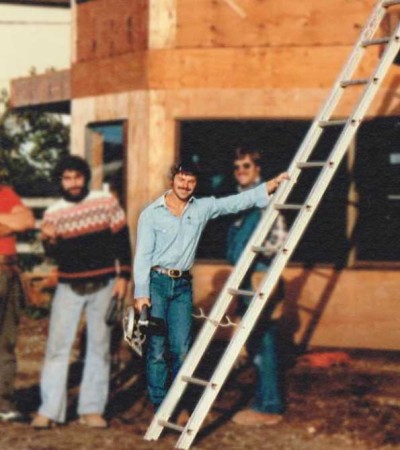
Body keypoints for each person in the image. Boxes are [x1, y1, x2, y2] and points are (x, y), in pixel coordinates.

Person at [133, 160, 288, 411]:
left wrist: (269, 186)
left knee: (182, 349)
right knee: (157, 349)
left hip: (182, 284)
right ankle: (160, 403)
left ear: (196, 184)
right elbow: (142, 256)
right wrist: (141, 294)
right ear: (172, 180)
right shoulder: (151, 214)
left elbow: (234, 203)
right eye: (181, 179)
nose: (185, 185)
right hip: (157, 283)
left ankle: (178, 404)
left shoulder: (202, 208)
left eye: (191, 181)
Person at [31, 155, 132, 429]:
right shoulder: (53, 213)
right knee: (57, 347)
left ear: (85, 178)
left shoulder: (106, 202)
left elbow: (122, 240)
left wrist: (123, 276)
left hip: (105, 284)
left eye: (77, 177)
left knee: (99, 347)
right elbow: (54, 255)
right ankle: (49, 410)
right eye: (67, 178)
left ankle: (91, 410)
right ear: (60, 181)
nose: (73, 183)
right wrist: (49, 240)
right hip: (68, 286)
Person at [226, 148, 287, 426]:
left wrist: (256, 252)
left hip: (259, 276)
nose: (241, 171)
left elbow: (279, 239)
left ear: (258, 170)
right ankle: (265, 402)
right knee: (257, 341)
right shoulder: (244, 203)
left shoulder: (265, 200)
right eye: (237, 167)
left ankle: (269, 407)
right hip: (245, 277)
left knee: (263, 342)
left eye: (247, 166)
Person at [0, 184, 34, 421]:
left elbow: (26, 222)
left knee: (6, 340)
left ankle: (4, 403)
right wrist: (8, 223)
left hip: (7, 272)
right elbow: (15, 222)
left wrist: (11, 223)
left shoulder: (5, 193)